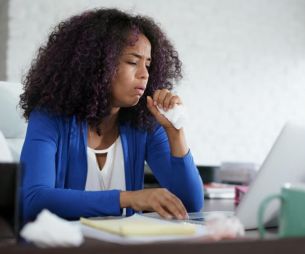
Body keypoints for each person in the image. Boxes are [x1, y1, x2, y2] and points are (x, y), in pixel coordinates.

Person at [19, 8, 204, 224]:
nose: (144, 74)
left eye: (148, 64)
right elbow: (33, 200)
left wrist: (175, 132)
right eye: (133, 62)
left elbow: (190, 204)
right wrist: (129, 199)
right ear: (98, 65)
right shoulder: (49, 118)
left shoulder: (143, 123)